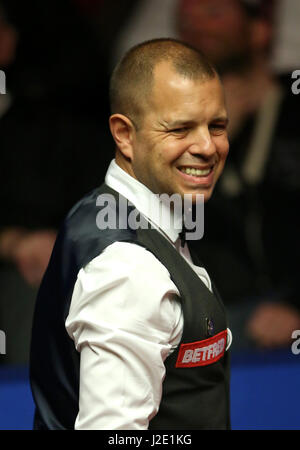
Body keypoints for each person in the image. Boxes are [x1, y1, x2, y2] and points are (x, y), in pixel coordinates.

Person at [30, 38, 231, 430]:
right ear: (124, 134)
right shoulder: (128, 268)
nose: (208, 146)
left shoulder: (108, 211)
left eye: (217, 125)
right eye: (180, 128)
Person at [177, 0, 300, 350]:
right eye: (185, 21)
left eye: (213, 14)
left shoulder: (293, 107)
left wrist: (296, 306)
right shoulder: (168, 128)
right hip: (218, 313)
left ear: (260, 29)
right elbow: (154, 226)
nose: (196, 28)